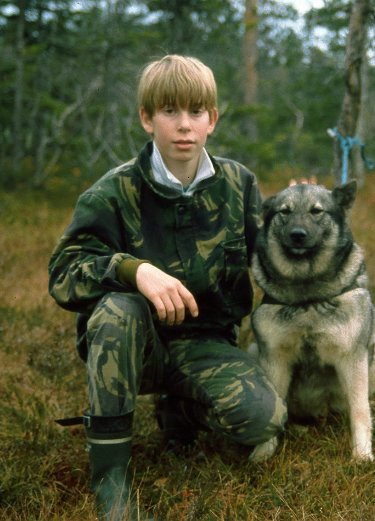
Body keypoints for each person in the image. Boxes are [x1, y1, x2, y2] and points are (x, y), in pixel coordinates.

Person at [48, 54, 287, 521]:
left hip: (206, 345)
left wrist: (305, 208)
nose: (184, 126)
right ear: (146, 118)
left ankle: (180, 410)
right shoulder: (112, 192)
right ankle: (111, 478)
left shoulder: (239, 184)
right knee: (118, 308)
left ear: (212, 120)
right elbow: (63, 273)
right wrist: (131, 270)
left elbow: (269, 260)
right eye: (169, 112)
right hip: (136, 347)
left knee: (265, 419)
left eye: (196, 112)